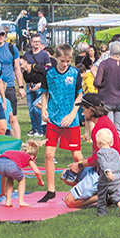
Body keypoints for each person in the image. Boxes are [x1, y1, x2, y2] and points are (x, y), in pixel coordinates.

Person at [63, 96, 120, 210]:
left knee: (70, 202)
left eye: (84, 109)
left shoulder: (99, 128)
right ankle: (110, 190)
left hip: (106, 171)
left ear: (92, 109)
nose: (82, 112)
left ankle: (109, 194)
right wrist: (79, 164)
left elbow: (99, 158)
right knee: (67, 176)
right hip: (109, 169)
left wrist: (80, 165)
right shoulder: (103, 122)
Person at [38, 45, 84, 203]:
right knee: (49, 154)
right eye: (62, 61)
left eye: (68, 61)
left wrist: (73, 114)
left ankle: (84, 187)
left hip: (71, 122)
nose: (65, 64)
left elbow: (80, 96)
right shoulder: (49, 73)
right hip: (53, 120)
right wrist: (44, 109)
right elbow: (45, 93)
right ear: (55, 59)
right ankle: (50, 190)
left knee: (77, 155)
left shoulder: (75, 73)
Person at [0, 139, 46, 207]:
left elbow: (3, 177)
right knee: (21, 178)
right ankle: (21, 201)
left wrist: (3, 192)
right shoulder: (28, 157)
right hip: (11, 165)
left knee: (9, 176)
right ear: (33, 157)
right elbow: (37, 171)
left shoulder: (14, 153)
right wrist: (40, 181)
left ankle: (8, 200)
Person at [0, 26, 23, 138]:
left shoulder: (11, 48)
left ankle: (17, 143)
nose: (0, 37)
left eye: (2, 35)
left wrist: (21, 86)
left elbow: (17, 68)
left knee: (13, 118)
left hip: (8, 86)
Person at [95, 40, 120, 137]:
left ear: (110, 51)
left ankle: (111, 150)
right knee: (118, 129)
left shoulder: (104, 64)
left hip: (107, 98)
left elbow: (97, 82)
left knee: (109, 128)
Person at [93, 130, 120, 217]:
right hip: (116, 180)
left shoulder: (100, 153)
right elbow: (119, 165)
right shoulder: (116, 152)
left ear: (98, 142)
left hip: (104, 181)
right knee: (117, 196)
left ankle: (101, 213)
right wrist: (119, 178)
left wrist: (107, 172)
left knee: (102, 197)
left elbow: (103, 163)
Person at [22, 35, 52, 136]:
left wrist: (40, 83)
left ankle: (41, 128)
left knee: (37, 106)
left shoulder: (44, 54)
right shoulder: (27, 55)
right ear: (31, 43)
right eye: (35, 41)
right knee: (31, 108)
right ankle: (34, 128)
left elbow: (49, 68)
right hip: (30, 83)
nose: (37, 43)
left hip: (41, 84)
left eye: (38, 41)